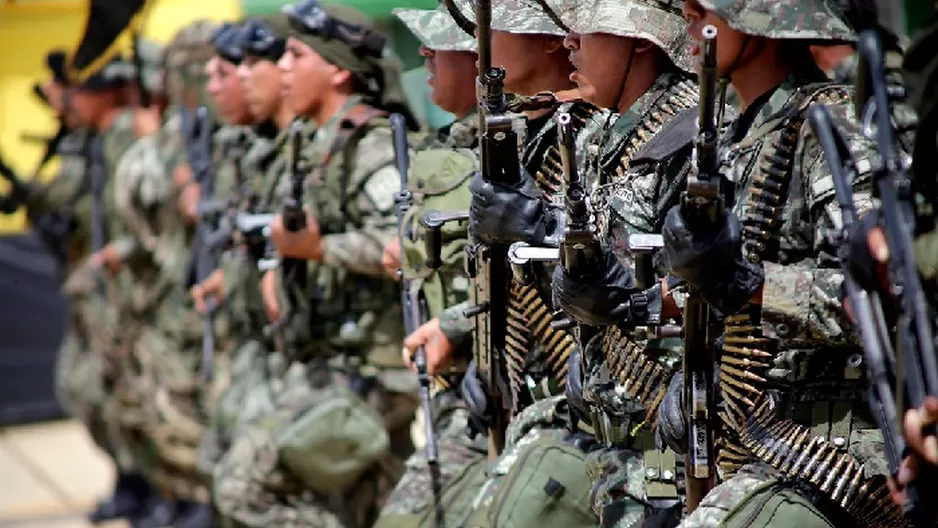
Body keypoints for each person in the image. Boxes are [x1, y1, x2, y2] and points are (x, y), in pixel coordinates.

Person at [657, 0, 903, 525]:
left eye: (706, 7)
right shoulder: (733, 139)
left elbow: (885, 297)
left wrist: (751, 283)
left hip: (833, 452)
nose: (688, 14)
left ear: (764, 18)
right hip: (750, 437)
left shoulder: (831, 126)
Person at [211, 2, 420, 526]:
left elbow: (405, 247)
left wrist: (318, 249)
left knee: (243, 485)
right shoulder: (310, 144)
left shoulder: (369, 147)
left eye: (297, 55)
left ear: (337, 70)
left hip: (372, 370)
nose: (281, 66)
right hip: (325, 359)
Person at [541, 0, 708, 523]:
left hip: (665, 434)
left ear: (640, 38)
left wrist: (638, 303)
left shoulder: (690, 135)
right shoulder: (596, 137)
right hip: (611, 426)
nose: (569, 40)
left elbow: (721, 284)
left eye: (588, 26)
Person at [373, 5, 486, 525]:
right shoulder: (447, 145)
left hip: (504, 395)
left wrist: (456, 321)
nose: (424, 53)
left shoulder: (522, 147)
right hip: (459, 390)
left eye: (442, 41)